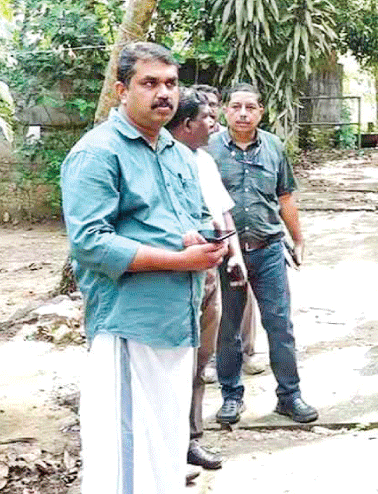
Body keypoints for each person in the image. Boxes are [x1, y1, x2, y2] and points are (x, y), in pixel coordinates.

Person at [61, 42, 228, 494]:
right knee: (126, 458)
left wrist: (194, 239)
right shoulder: (97, 153)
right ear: (121, 90)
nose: (163, 93)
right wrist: (179, 259)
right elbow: (91, 243)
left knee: (163, 451)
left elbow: (190, 217)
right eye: (149, 83)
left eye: (171, 83)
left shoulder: (175, 152)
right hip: (131, 327)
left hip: (178, 322)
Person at [208, 83, 318, 424]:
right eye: (236, 107)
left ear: (261, 112)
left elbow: (285, 198)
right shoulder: (208, 150)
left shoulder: (273, 146)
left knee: (279, 324)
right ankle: (231, 395)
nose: (243, 114)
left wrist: (297, 239)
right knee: (229, 327)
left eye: (250, 108)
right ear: (225, 111)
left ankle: (289, 395)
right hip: (226, 252)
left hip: (268, 249)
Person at [166, 88, 249, 471]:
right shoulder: (164, 160)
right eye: (208, 119)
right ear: (186, 125)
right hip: (175, 274)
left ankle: (191, 439)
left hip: (209, 272)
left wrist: (233, 257)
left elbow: (222, 212)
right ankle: (166, 446)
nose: (216, 124)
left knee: (200, 360)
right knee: (172, 363)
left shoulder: (204, 159)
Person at [193, 84, 267, 380]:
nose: (210, 114)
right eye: (204, 108)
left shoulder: (229, 142)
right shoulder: (200, 148)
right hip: (211, 235)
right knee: (216, 301)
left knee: (242, 296)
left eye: (213, 107)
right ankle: (212, 358)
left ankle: (247, 352)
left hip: (241, 231)